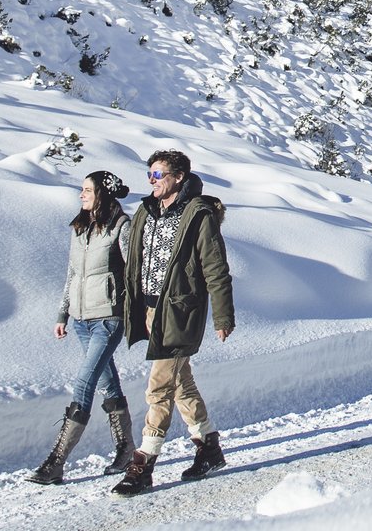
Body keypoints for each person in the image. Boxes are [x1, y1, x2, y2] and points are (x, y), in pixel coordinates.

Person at [112, 148, 236, 495]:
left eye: (157, 175)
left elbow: (215, 267)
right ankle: (209, 447)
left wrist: (223, 315)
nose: (151, 181)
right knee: (182, 384)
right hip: (149, 311)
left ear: (177, 177)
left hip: (179, 313)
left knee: (159, 387)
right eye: (149, 174)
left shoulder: (198, 214)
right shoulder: (146, 210)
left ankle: (143, 464)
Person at [27, 170, 136, 485]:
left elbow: (132, 274)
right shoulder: (79, 228)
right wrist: (63, 314)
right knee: (107, 383)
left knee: (83, 384)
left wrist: (135, 312)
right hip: (80, 320)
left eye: (87, 189)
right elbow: (72, 274)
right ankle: (126, 449)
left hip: (108, 318)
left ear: (102, 193)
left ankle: (56, 461)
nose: (81, 194)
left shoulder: (121, 227)